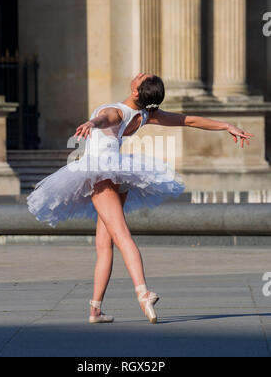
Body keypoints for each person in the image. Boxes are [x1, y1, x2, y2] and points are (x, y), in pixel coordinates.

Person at [27, 73, 254, 324]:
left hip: (100, 175)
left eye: (141, 77)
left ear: (136, 91)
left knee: (121, 236)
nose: (138, 75)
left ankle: (143, 293)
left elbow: (107, 118)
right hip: (117, 175)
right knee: (104, 244)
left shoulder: (120, 111)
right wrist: (226, 126)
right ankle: (95, 310)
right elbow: (188, 120)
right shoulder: (147, 114)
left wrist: (93, 122)